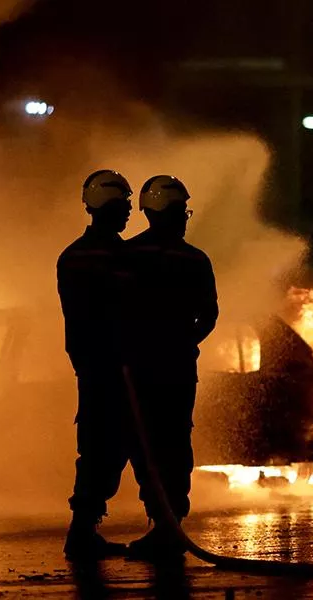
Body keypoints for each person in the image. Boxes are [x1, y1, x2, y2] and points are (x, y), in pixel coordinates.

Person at [121, 175, 218, 559]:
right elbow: (208, 316)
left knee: (144, 443)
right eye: (181, 210)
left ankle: (163, 524)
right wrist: (183, 342)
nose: (184, 218)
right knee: (175, 442)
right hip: (177, 368)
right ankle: (170, 522)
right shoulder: (195, 259)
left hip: (139, 368)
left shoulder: (126, 256)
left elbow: (112, 309)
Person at [57, 169, 135, 560]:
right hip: (118, 367)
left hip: (90, 367)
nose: (128, 213)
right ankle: (84, 532)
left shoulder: (71, 256)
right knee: (118, 447)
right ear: (107, 207)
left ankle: (83, 528)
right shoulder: (122, 257)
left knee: (96, 449)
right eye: (124, 205)